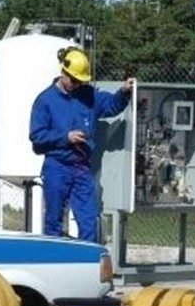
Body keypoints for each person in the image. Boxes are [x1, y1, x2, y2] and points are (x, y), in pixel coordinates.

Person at [29, 47, 135, 242]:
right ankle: (53, 258)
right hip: (57, 166)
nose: (76, 84)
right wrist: (66, 137)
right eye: (74, 80)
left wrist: (123, 92)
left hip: (81, 168)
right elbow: (37, 136)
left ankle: (88, 258)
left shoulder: (88, 95)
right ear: (63, 72)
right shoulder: (45, 101)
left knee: (89, 221)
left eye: (80, 81)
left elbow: (111, 105)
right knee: (53, 221)